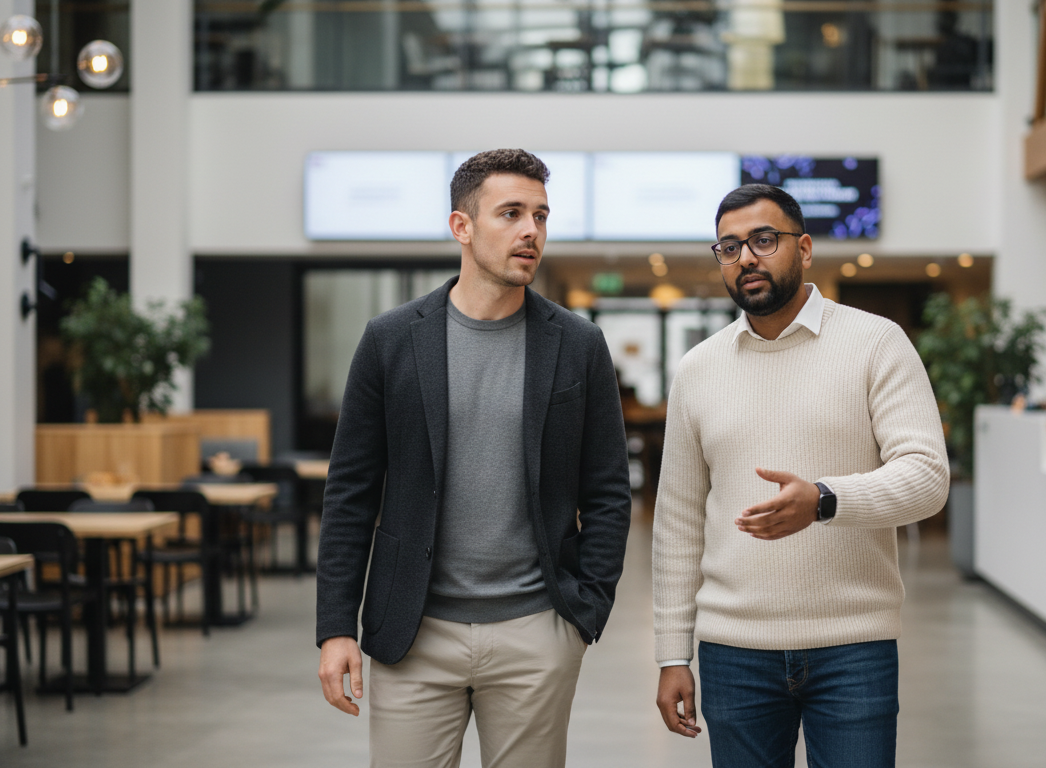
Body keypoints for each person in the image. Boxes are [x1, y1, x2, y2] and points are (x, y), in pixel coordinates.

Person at [316, 148, 631, 768]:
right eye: (511, 213)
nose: (530, 231)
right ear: (462, 226)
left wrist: (583, 614)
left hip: (537, 630)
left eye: (540, 216)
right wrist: (335, 628)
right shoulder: (391, 339)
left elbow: (608, 491)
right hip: (412, 631)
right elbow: (349, 492)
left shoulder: (577, 344)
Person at [652, 184, 949, 767]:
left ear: (805, 248)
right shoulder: (698, 369)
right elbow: (678, 519)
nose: (746, 258)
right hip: (733, 651)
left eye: (764, 240)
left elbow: (927, 477)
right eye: (729, 247)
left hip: (853, 645)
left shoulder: (875, 343)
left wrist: (825, 499)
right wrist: (670, 653)